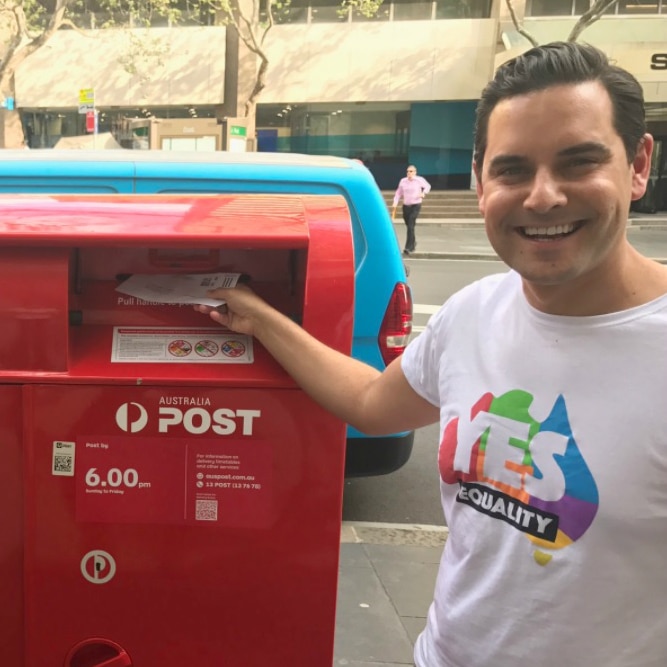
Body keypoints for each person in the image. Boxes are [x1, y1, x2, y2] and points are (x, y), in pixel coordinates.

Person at [196, 42, 667, 667]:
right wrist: (257, 317)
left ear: (638, 166)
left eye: (579, 163)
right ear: (480, 183)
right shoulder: (473, 313)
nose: (543, 196)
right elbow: (369, 403)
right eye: (513, 169)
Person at [392, 164, 431, 255]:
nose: (409, 173)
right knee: (409, 226)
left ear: (415, 172)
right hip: (406, 206)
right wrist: (395, 202)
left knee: (410, 225)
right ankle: (413, 243)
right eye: (408, 171)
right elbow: (398, 193)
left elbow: (428, 186)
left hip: (416, 205)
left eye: (411, 171)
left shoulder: (419, 180)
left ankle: (408, 247)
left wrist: (423, 193)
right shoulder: (403, 181)